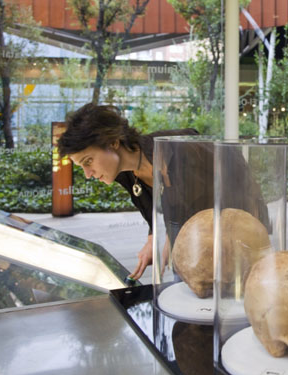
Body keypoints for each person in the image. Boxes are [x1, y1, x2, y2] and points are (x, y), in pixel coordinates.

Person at [58, 104, 269, 282]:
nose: (87, 174)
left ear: (113, 142)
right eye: (81, 167)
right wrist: (153, 237)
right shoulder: (126, 174)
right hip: (190, 254)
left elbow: (225, 195)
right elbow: (158, 208)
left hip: (233, 245)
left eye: (88, 162)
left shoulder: (179, 149)